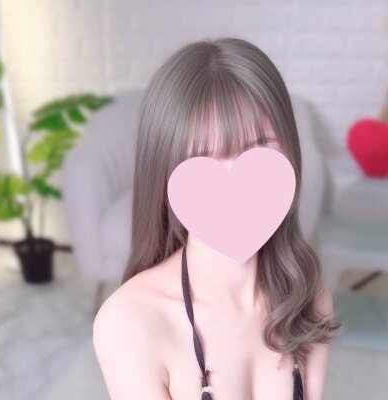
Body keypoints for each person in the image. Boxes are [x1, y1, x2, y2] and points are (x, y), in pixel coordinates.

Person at [92, 37, 342, 400]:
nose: (233, 180)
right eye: (201, 159)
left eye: (258, 148)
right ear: (163, 178)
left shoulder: (309, 295)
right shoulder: (129, 322)